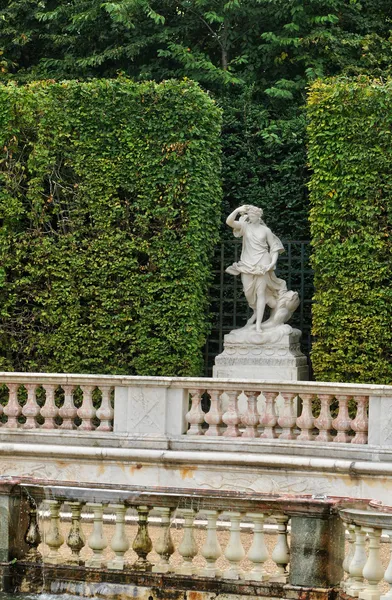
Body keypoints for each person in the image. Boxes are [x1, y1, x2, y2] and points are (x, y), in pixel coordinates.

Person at [226, 204, 288, 332]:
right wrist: (237, 210)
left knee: (261, 293)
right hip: (247, 264)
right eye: (249, 215)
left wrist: (272, 263)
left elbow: (274, 247)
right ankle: (255, 314)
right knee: (248, 293)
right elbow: (229, 221)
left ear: (259, 217)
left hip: (262, 263)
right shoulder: (245, 227)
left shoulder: (266, 230)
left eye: (253, 215)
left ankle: (258, 324)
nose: (250, 217)